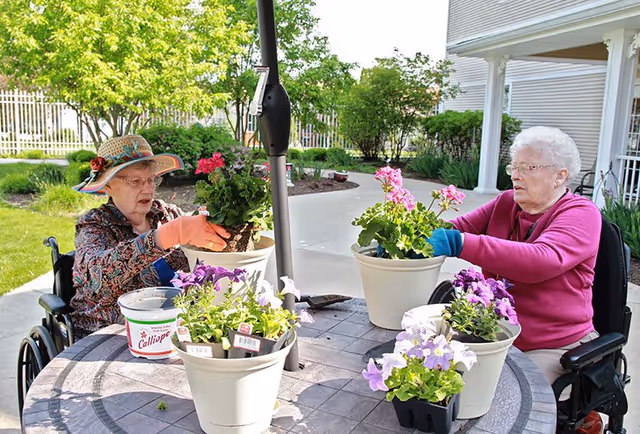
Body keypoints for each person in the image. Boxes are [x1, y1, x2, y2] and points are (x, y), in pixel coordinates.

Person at [426, 126, 601, 392]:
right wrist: (410, 236)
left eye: (528, 168)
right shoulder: (506, 202)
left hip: (552, 344)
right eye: (513, 167)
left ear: (559, 175)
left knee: (503, 398)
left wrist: (459, 244)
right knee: (433, 372)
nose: (515, 176)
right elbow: (457, 227)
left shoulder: (581, 213)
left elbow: (542, 260)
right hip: (494, 332)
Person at [70, 135, 229, 337]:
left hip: (174, 330)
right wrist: (168, 235)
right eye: (135, 181)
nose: (147, 189)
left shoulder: (167, 214)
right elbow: (97, 277)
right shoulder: (94, 226)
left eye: (151, 180)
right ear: (108, 186)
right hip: (109, 336)